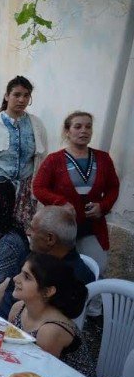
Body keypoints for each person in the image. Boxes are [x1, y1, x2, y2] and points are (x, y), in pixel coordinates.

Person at [33, 111, 119, 272]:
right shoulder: (54, 160)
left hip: (92, 226)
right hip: (61, 226)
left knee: (95, 269)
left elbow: (113, 187)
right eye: (77, 126)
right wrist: (61, 203)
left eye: (88, 127)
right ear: (67, 131)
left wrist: (103, 206)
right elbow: (38, 188)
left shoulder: (103, 158)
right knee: (55, 271)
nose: (84, 131)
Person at [0, 204, 96, 318]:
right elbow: (5, 289)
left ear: (50, 239)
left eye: (32, 228)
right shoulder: (31, 256)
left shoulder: (76, 278)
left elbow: (48, 324)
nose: (27, 232)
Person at [0, 75, 48, 223]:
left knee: (21, 231)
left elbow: (42, 160)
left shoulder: (36, 125)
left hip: (25, 191)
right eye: (17, 95)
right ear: (7, 96)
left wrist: (39, 189)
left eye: (26, 96)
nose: (21, 100)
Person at [7, 253, 86, 358]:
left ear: (47, 291)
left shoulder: (50, 331)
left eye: (27, 277)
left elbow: (43, 372)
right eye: (21, 272)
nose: (16, 278)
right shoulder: (18, 308)